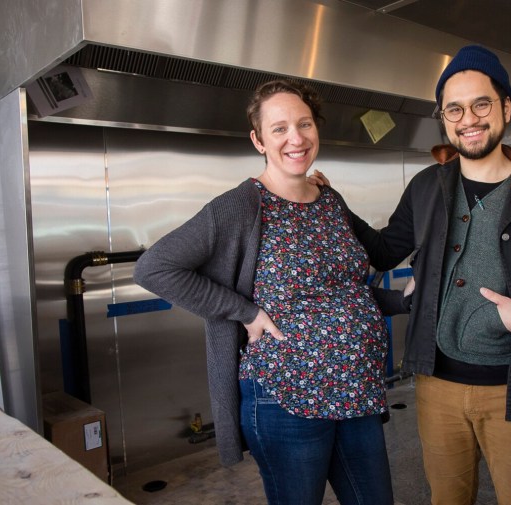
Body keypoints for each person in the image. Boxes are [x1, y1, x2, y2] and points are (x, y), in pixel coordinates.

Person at [346, 45, 511, 504]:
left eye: (481, 103)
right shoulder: (427, 185)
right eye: (455, 109)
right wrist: (332, 204)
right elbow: (384, 252)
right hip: (436, 385)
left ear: (506, 107)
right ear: (443, 117)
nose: (469, 119)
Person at [134, 79, 407, 505]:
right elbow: (155, 267)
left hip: (356, 392)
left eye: (304, 124)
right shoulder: (240, 206)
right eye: (279, 129)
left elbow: (346, 292)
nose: (295, 138)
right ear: (258, 140)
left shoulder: (330, 199)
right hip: (286, 398)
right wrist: (244, 311)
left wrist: (407, 300)